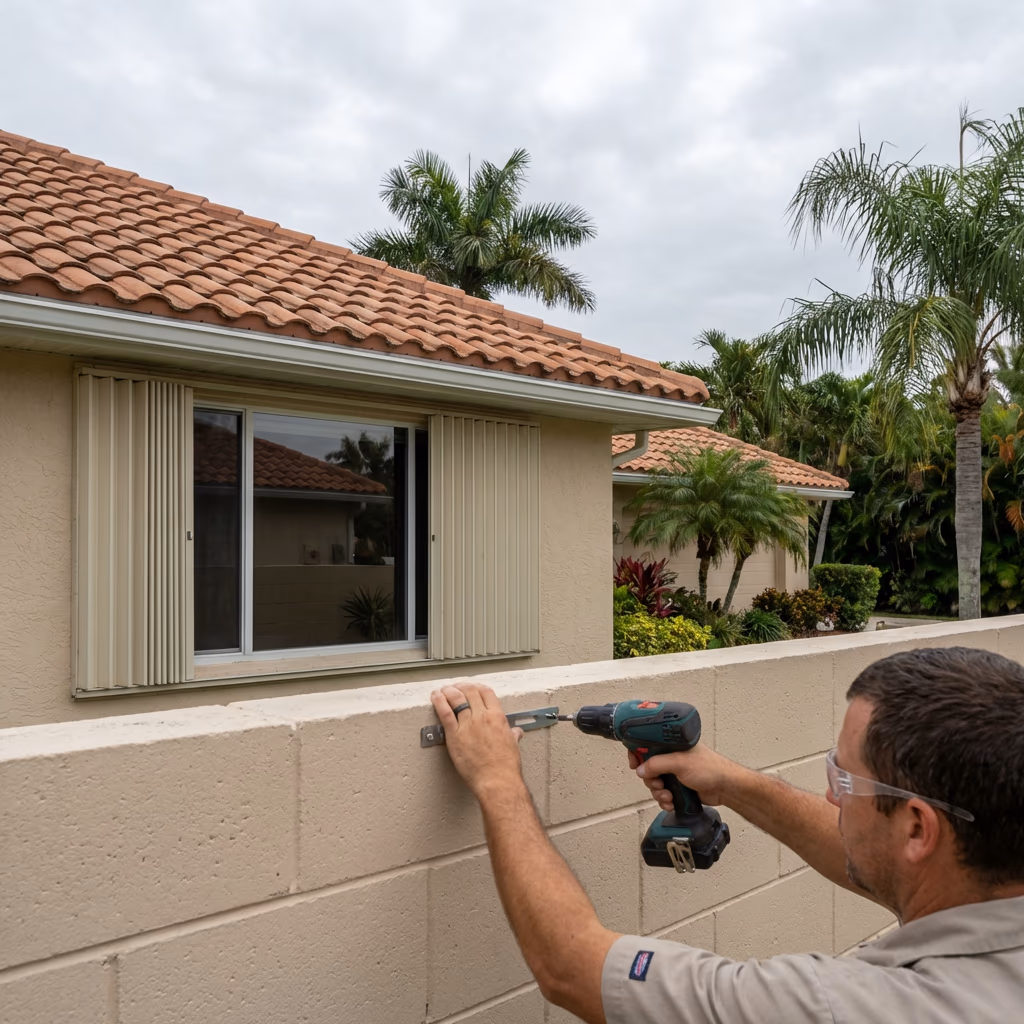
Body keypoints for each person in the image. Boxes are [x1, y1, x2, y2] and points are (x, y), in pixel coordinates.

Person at [430, 646, 1024, 1023]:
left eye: (844, 778)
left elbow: (571, 967)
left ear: (919, 827)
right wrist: (732, 783)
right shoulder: (990, 881)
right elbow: (882, 856)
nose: (831, 797)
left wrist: (497, 780)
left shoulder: (846, 1007)